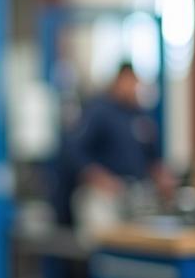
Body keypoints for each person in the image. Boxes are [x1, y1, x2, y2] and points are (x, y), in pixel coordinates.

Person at [65, 62, 174, 233]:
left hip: (137, 194)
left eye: (135, 83)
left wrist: (163, 177)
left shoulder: (141, 116)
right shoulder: (98, 111)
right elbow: (74, 151)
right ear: (118, 81)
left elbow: (155, 159)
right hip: (103, 195)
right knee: (104, 234)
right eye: (128, 82)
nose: (132, 87)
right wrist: (99, 178)